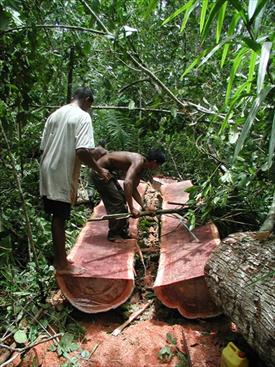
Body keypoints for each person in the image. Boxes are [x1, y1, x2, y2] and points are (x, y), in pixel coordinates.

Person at [40, 87, 111, 275]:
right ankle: (62, 264)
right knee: (60, 217)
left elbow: (48, 146)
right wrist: (100, 170)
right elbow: (81, 151)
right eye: (90, 105)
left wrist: (95, 151)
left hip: (48, 168)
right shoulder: (82, 116)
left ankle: (59, 258)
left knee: (57, 215)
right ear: (87, 100)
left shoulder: (55, 115)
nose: (90, 109)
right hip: (61, 171)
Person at [91, 150, 166, 241]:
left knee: (122, 198)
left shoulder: (142, 167)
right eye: (158, 165)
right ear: (154, 162)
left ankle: (122, 231)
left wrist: (144, 207)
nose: (157, 168)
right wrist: (131, 208)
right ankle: (113, 234)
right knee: (117, 202)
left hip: (108, 172)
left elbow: (133, 189)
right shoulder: (138, 161)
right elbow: (127, 182)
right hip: (99, 172)